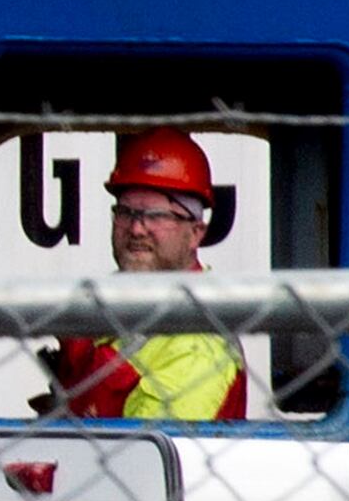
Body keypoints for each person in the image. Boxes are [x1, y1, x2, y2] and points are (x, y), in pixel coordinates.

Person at [37, 127, 253, 424]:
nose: (137, 229)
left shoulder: (197, 347)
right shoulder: (109, 305)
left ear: (195, 233)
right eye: (126, 213)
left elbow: (140, 461)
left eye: (156, 215)